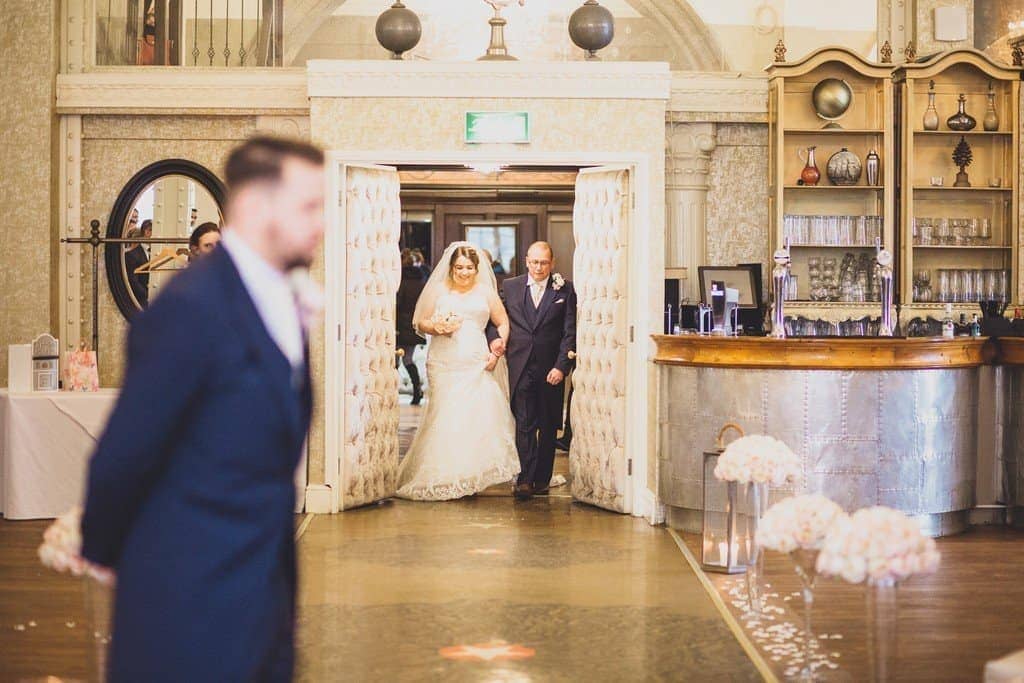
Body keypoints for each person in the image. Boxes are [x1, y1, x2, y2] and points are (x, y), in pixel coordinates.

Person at [80, 136, 325, 682]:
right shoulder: (191, 307)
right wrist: (122, 563)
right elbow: (122, 457)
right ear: (255, 206)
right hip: (186, 595)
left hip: (262, 589)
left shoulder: (282, 300)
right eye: (309, 206)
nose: (322, 223)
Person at [395, 242, 520, 500]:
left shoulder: (486, 292)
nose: (464, 272)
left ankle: (469, 474)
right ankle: (444, 473)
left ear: (477, 268)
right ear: (451, 268)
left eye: (469, 268)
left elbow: (502, 322)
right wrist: (436, 327)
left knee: (474, 415)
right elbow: (420, 321)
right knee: (445, 414)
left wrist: (498, 347)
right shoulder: (439, 289)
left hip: (476, 359)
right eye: (459, 267)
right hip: (444, 361)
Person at [488, 242, 576, 499]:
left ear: (552, 263)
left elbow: (570, 332)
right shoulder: (511, 287)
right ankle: (525, 478)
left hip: (550, 369)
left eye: (544, 263)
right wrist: (495, 339)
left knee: (548, 425)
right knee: (524, 423)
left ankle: (542, 478)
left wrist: (561, 366)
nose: (539, 267)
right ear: (527, 261)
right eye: (535, 262)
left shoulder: (565, 289)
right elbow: (494, 320)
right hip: (520, 364)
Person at [397, 250, 426, 405]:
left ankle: (415, 391)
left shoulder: (401, 281)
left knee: (398, 360)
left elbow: (398, 305)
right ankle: (417, 390)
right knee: (408, 358)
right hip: (414, 326)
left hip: (400, 327)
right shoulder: (422, 282)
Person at [123, 227, 150, 307]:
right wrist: (148, 294)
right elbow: (133, 281)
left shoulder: (154, 251)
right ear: (147, 232)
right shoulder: (131, 255)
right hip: (141, 300)